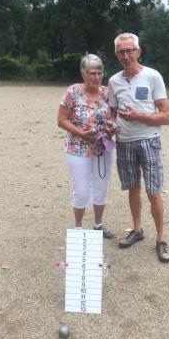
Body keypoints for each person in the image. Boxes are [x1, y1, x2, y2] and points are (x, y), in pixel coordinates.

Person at [107, 32, 169, 262]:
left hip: (149, 140)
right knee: (133, 188)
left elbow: (166, 117)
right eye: (121, 52)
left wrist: (139, 116)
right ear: (116, 55)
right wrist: (111, 125)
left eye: (129, 50)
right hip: (124, 143)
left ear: (138, 51)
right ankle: (137, 230)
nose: (126, 56)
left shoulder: (153, 76)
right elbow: (113, 113)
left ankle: (161, 239)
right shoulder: (113, 81)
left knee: (154, 192)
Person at [57, 54, 116, 238]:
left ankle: (98, 225)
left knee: (101, 187)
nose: (96, 77)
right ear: (83, 73)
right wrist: (81, 133)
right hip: (78, 148)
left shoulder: (107, 93)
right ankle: (78, 228)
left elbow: (114, 116)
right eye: (92, 73)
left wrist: (111, 126)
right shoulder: (72, 92)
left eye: (99, 72)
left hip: (102, 148)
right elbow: (61, 120)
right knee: (81, 190)